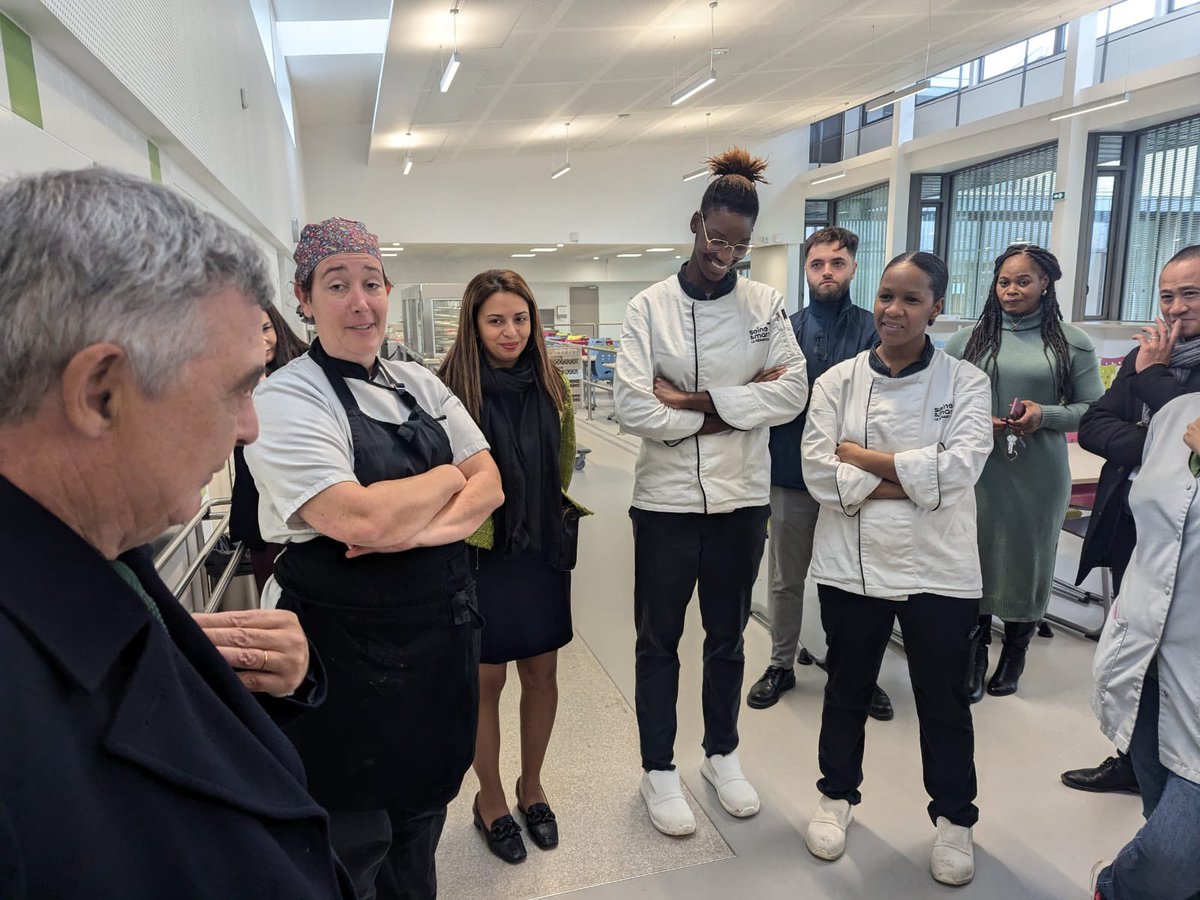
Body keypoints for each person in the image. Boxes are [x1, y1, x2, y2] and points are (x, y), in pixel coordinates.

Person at [0, 167, 353, 898]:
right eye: (237, 391)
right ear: (101, 393)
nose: (250, 428)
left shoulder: (102, 547)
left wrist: (232, 683)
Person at [245, 218, 504, 899]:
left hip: (436, 647)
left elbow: (491, 483)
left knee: (420, 832)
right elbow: (354, 517)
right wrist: (448, 479)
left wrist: (410, 528)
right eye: (337, 286)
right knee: (349, 847)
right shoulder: (286, 397)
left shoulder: (417, 381)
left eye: (371, 283)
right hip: (342, 667)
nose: (360, 302)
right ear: (303, 297)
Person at [614, 148, 808, 836]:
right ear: (695, 225)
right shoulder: (649, 308)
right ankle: (658, 768)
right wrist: (739, 404)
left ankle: (721, 754)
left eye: (740, 244)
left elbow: (792, 390)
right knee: (657, 641)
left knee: (726, 638)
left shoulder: (765, 305)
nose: (726, 254)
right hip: (664, 504)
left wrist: (696, 403)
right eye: (717, 238)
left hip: (741, 502)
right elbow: (634, 407)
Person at [800, 251, 992, 886]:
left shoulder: (966, 382)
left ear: (936, 307)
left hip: (939, 567)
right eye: (886, 296)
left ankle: (955, 820)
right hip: (851, 568)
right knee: (846, 687)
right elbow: (820, 475)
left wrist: (864, 458)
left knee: (942, 699)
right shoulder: (838, 382)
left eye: (911, 299)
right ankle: (835, 796)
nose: (894, 310)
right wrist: (913, 477)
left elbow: (960, 470)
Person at [438, 269, 590, 863]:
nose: (511, 331)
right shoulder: (450, 391)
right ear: (474, 325)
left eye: (520, 319)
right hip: (480, 551)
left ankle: (533, 786)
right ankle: (492, 799)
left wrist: (537, 513)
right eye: (496, 320)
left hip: (540, 546)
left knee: (542, 671)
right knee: (486, 678)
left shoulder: (553, 384)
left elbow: (565, 459)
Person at [1064, 245, 1200, 796]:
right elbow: (1096, 425)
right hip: (1130, 524)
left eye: (1189, 294)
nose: (1174, 309)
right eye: (1166, 295)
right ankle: (1132, 757)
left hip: (1186, 549)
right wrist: (1162, 447)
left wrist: (1157, 383)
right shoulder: (1148, 359)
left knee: (1177, 662)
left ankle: (1177, 774)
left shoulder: (1155, 368)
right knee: (1133, 649)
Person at [945, 244, 1104, 700]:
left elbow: (1093, 408)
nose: (1011, 290)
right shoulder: (968, 340)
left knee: (1029, 559)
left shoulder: (1071, 342)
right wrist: (975, 420)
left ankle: (1015, 652)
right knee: (973, 555)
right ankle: (974, 655)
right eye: (1004, 282)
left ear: (1045, 284)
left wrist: (1046, 416)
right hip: (977, 470)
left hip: (1039, 472)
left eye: (1023, 281)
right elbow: (941, 402)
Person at [746, 225, 892, 721]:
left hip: (853, 481)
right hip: (790, 474)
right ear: (805, 269)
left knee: (852, 580)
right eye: (817, 264)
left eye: (837, 263)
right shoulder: (785, 330)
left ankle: (854, 671)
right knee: (786, 579)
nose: (827, 272)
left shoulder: (875, 330)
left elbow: (879, 402)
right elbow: (766, 393)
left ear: (853, 267)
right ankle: (781, 664)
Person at [1089, 393, 1200, 900]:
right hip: (1147, 657)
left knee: (1169, 861)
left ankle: (1112, 889)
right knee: (1162, 820)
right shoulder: (1178, 412)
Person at [230, 303, 309, 593]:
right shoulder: (233, 379)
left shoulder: (306, 366)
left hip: (306, 500)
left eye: (265, 329)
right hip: (258, 504)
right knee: (273, 596)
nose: (261, 340)